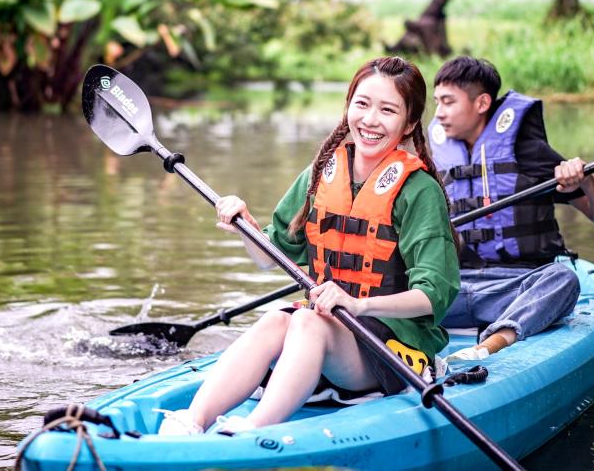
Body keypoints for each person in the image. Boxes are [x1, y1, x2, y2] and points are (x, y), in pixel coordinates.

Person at [157, 56, 460, 436]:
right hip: (331, 332)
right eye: (362, 104)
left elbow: (435, 295)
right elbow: (272, 257)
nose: (370, 120)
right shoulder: (323, 172)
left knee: (305, 320)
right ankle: (192, 421)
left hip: (394, 350)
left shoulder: (419, 191)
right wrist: (247, 228)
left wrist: (359, 304)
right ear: (348, 105)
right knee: (276, 319)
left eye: (388, 110)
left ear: (410, 123)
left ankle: (252, 431)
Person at [429, 56, 594, 358]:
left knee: (563, 279)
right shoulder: (435, 158)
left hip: (518, 287)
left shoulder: (527, 152)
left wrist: (587, 182)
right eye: (436, 102)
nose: (438, 114)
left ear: (481, 103)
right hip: (456, 287)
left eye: (448, 102)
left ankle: (492, 344)